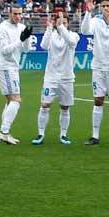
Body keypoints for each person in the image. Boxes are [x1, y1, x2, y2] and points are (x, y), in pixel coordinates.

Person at [80, 0, 109, 144]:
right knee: (98, 100)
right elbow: (85, 31)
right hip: (98, 67)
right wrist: (88, 12)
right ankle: (95, 136)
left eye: (108, 5)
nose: (105, 8)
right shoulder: (96, 20)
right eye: (103, 5)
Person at [34, 8, 79, 145]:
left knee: (65, 107)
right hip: (51, 77)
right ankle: (40, 133)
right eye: (60, 22)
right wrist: (49, 28)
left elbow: (71, 42)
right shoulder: (52, 34)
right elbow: (42, 46)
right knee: (45, 105)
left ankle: (63, 135)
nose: (62, 24)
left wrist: (60, 26)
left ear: (68, 23)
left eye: (65, 22)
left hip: (66, 78)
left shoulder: (73, 35)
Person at [0, 5, 32, 144]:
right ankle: (4, 132)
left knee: (10, 101)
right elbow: (4, 51)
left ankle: (4, 132)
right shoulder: (2, 29)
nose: (18, 16)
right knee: (16, 100)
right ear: (9, 13)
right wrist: (20, 40)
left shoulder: (21, 27)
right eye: (15, 14)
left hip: (14, 68)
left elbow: (27, 50)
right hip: (5, 67)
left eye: (20, 14)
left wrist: (27, 37)